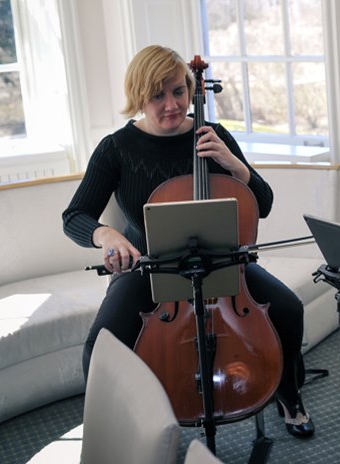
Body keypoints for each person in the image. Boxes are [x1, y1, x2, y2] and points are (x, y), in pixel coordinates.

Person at [62, 45, 314, 438]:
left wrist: (233, 164)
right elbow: (74, 216)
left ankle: (289, 394)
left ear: (190, 88)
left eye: (179, 91)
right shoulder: (116, 149)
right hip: (151, 267)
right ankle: (108, 433)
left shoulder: (212, 136)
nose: (171, 105)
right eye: (157, 95)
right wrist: (106, 234)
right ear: (138, 97)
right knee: (102, 344)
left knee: (288, 309)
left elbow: (262, 204)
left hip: (222, 262)